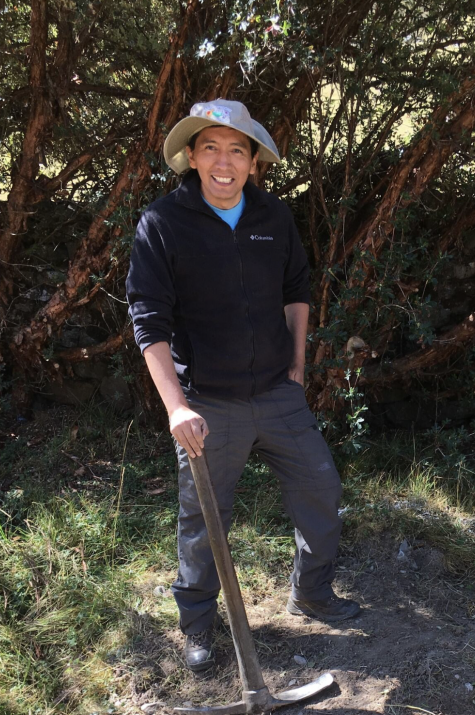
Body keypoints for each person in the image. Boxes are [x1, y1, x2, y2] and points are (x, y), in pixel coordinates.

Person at [126, 99, 360, 674]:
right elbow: (148, 321)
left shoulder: (273, 217)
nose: (223, 161)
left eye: (237, 150)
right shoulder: (164, 222)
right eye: (211, 147)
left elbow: (296, 289)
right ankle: (199, 628)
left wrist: (298, 364)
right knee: (204, 521)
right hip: (206, 402)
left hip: (278, 395)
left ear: (254, 161)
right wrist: (177, 408)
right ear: (192, 157)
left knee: (321, 491)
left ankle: (311, 592)